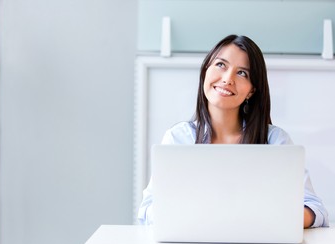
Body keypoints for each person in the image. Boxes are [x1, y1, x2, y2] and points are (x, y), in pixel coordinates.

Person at [138, 34, 329, 228]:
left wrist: (266, 220)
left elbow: (316, 210)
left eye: (242, 73)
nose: (228, 79)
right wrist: (190, 214)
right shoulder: (178, 138)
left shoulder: (274, 140)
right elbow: (147, 211)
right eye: (221, 65)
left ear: (252, 91)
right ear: (206, 70)